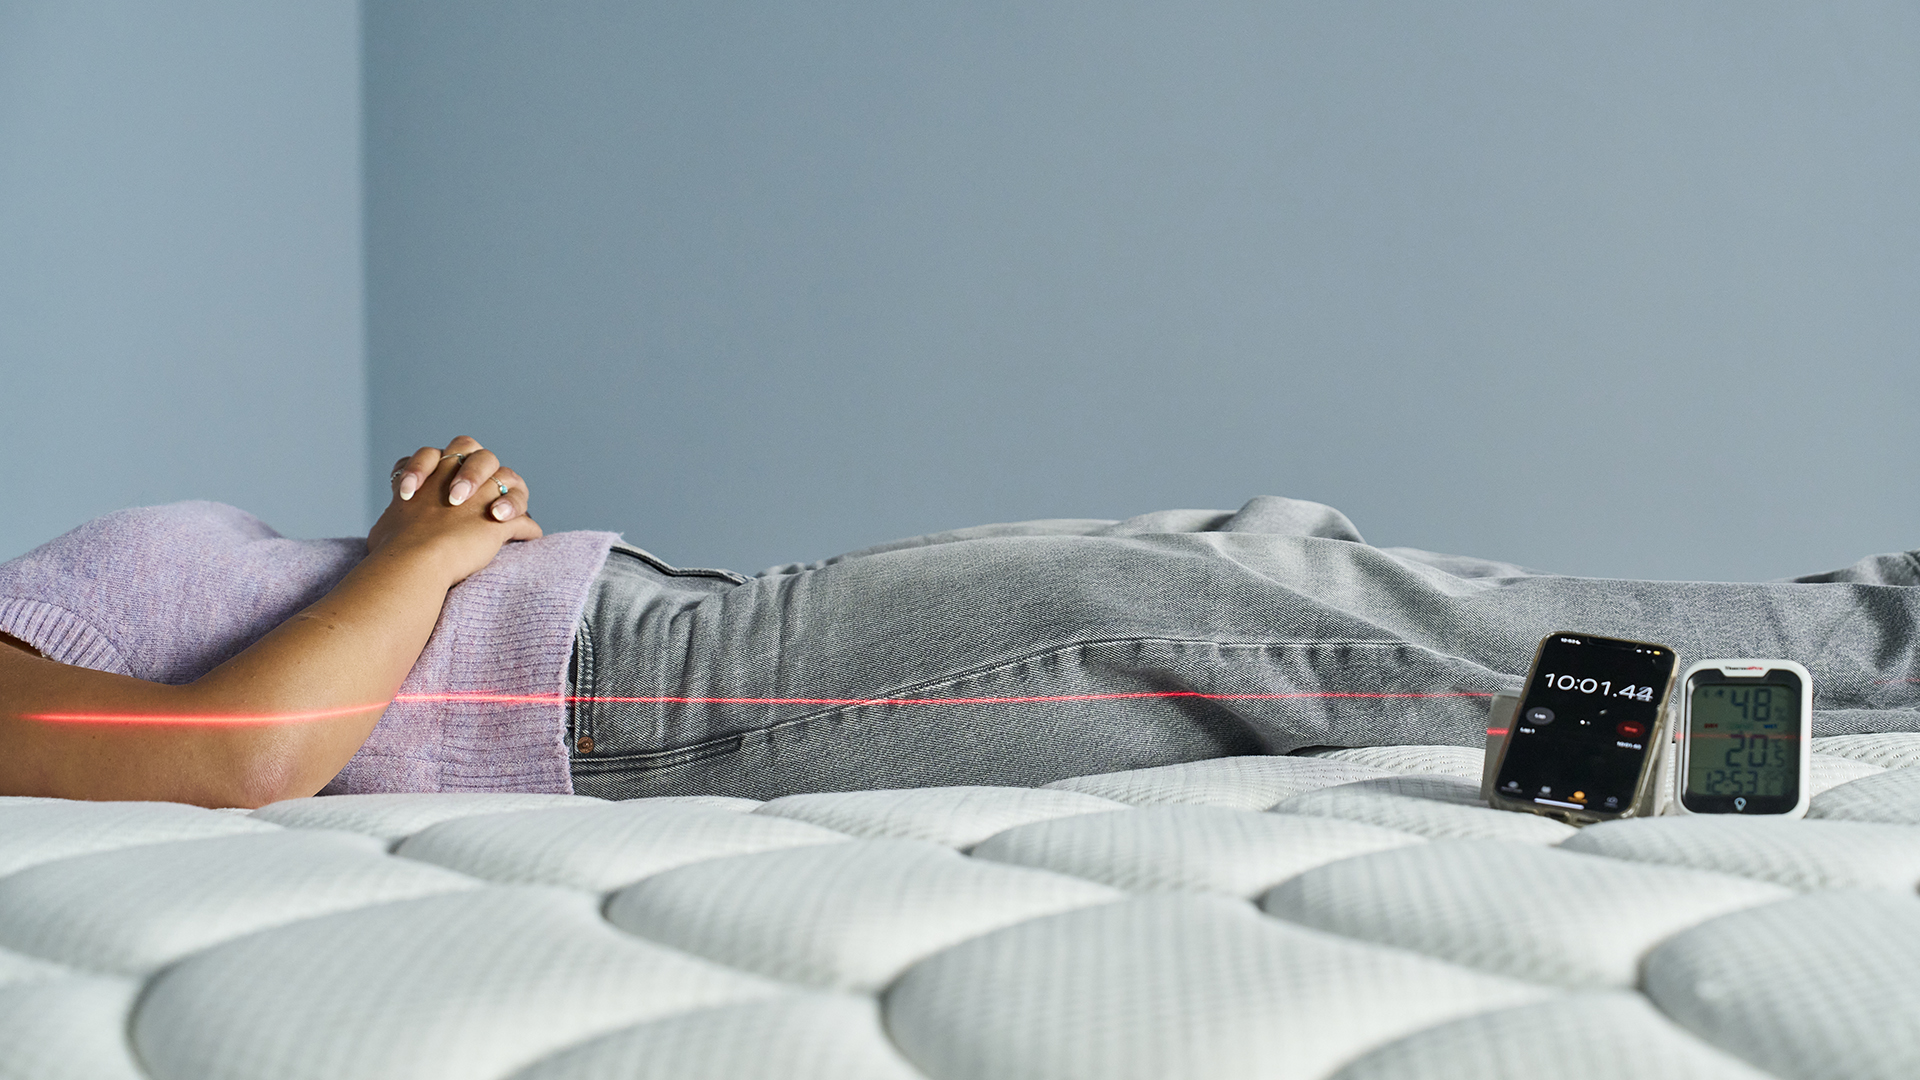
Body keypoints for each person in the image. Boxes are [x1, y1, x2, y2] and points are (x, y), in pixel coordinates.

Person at [3, 437, 1917, 809]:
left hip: (670, 643)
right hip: (644, 700)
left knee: (1251, 560)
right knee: (1209, 605)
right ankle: (1876, 651)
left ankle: (1866, 650)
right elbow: (226, 752)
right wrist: (413, 556)